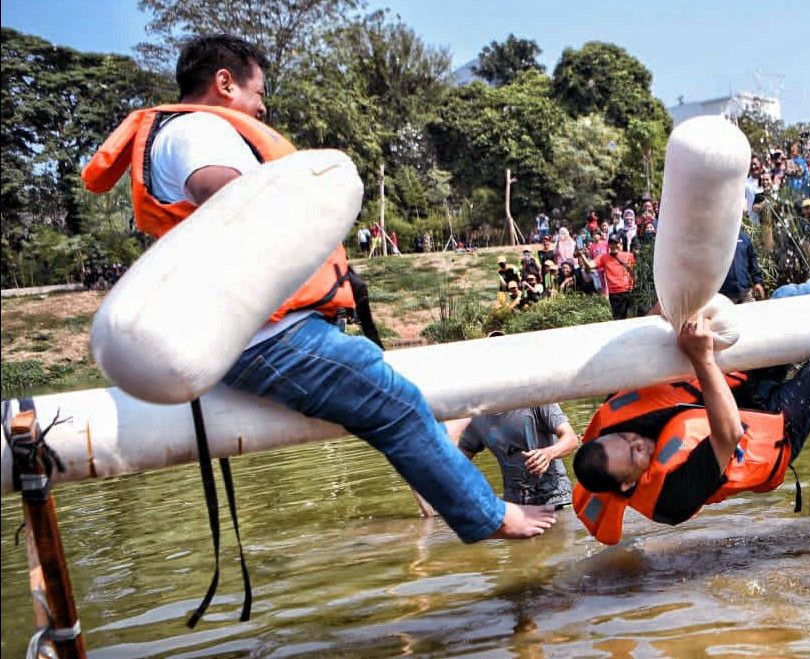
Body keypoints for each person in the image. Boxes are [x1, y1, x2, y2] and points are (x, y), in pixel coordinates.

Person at [82, 34, 554, 545]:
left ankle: (461, 505)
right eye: (257, 93)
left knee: (385, 398)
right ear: (224, 83)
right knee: (393, 403)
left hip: (253, 336)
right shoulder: (199, 131)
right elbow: (233, 202)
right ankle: (489, 516)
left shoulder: (177, 134)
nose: (262, 107)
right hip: (269, 339)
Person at [571, 248, 810, 545]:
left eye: (626, 439)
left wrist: (673, 310)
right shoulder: (671, 500)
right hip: (772, 433)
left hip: (742, 389)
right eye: (635, 455)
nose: (637, 442)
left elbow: (650, 332)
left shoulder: (616, 419)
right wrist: (703, 358)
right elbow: (727, 435)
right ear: (627, 485)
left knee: (785, 299)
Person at [451, 403, 580, 508]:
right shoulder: (477, 417)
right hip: (515, 506)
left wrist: (547, 454)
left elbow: (571, 438)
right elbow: (460, 456)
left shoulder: (537, 399)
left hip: (556, 499)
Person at [588, 237, 636, 320]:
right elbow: (590, 266)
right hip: (615, 293)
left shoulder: (629, 255)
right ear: (608, 246)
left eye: (615, 243)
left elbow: (636, 271)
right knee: (619, 319)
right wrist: (582, 255)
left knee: (633, 317)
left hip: (630, 291)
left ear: (620, 244)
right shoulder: (603, 258)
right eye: (611, 243)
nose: (613, 245)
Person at [718, 229, 765, 304]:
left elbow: (752, 260)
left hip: (745, 291)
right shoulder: (718, 238)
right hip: (725, 294)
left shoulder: (744, 238)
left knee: (751, 314)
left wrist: (757, 282)